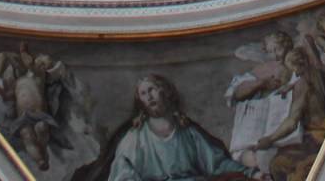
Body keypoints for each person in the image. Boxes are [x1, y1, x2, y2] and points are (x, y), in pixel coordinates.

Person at [79, 75, 246, 181]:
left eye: (152, 90)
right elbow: (124, 176)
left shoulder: (188, 132)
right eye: (143, 94)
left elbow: (217, 163)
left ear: (165, 92)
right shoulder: (134, 138)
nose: (149, 97)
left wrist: (249, 173)